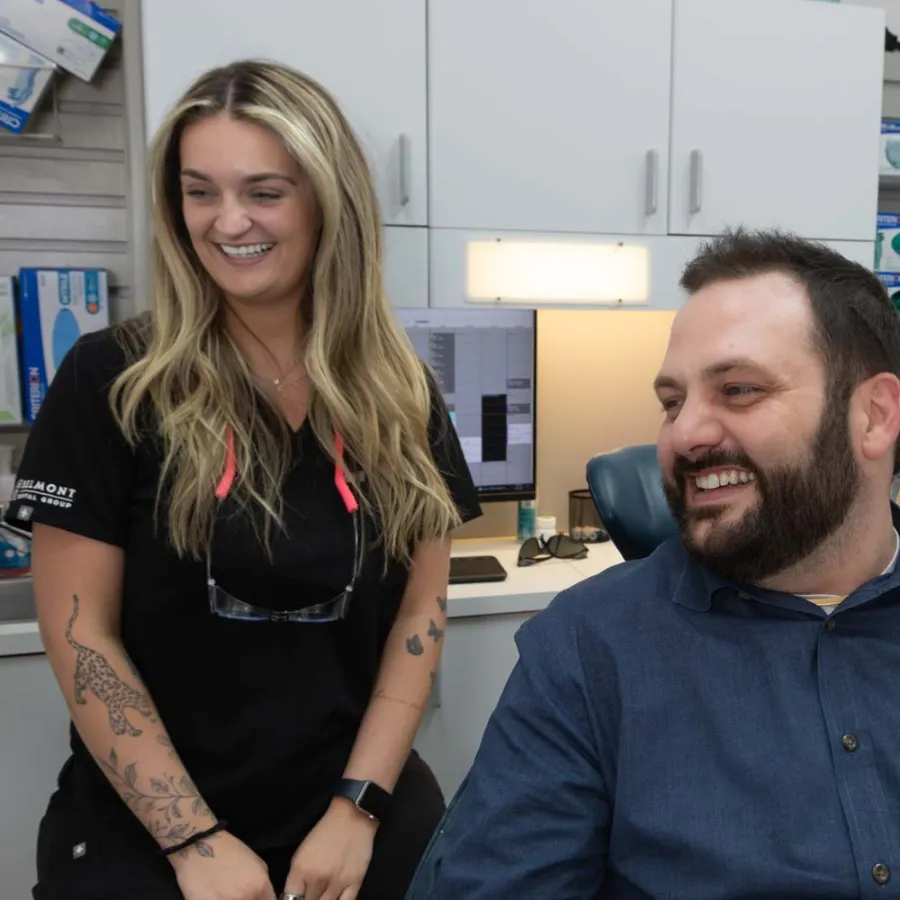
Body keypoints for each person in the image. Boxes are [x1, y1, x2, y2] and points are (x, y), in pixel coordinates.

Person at [8, 59, 481, 900]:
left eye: (265, 191)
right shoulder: (113, 381)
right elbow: (82, 638)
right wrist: (192, 840)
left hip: (349, 805)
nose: (229, 222)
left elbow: (419, 614)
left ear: (327, 200)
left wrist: (359, 809)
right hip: (150, 817)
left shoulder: (401, 393)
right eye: (200, 192)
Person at [407, 229, 900, 899]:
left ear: (874, 416)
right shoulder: (589, 650)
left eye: (739, 389)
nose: (683, 433)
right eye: (672, 402)